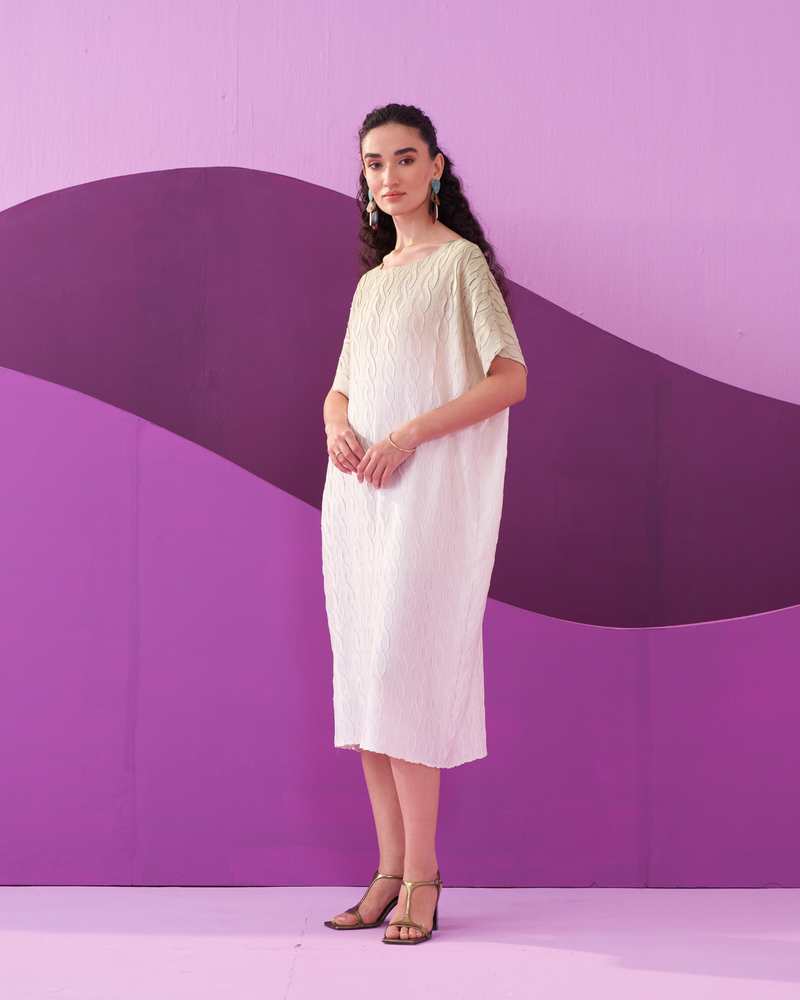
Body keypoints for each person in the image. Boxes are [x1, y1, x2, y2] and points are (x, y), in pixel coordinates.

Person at [320, 103, 527, 945]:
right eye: (375, 163)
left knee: (402, 679)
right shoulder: (374, 282)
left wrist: (408, 434)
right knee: (370, 688)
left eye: (406, 158)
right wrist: (335, 422)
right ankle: (387, 871)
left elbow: (508, 379)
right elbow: (342, 384)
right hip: (359, 507)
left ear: (436, 166)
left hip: (424, 502)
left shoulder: (459, 265)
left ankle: (425, 876)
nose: (390, 176)